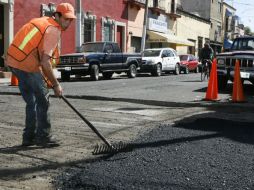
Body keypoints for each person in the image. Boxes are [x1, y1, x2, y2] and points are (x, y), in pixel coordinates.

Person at [6, 3, 76, 146]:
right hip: (26, 65)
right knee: (43, 100)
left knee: (31, 102)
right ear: (57, 15)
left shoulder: (42, 22)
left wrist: (46, 77)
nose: (68, 22)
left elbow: (36, 51)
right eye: (66, 19)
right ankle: (43, 137)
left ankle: (28, 137)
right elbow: (45, 63)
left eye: (70, 20)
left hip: (13, 62)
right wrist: (56, 85)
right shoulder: (53, 30)